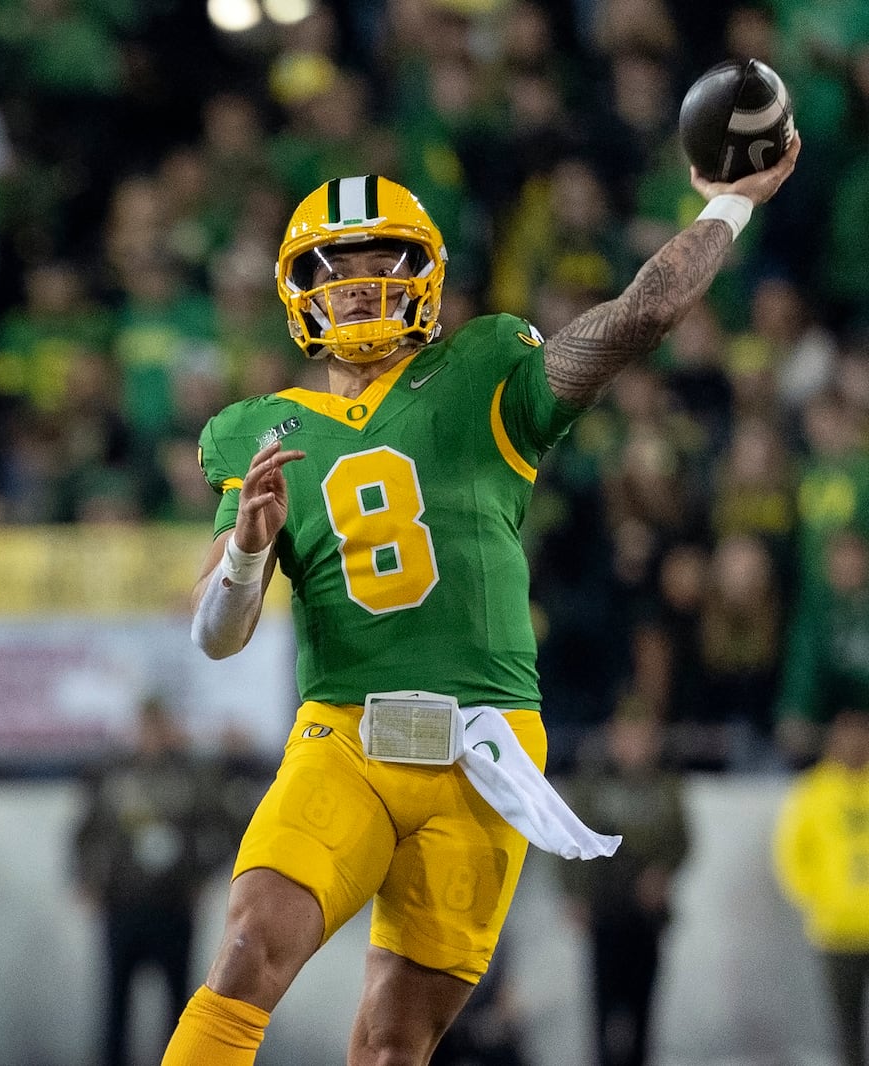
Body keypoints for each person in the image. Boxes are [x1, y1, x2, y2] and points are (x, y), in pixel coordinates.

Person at [162, 137, 801, 1066]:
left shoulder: (484, 370)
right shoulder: (259, 429)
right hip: (343, 735)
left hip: (483, 747)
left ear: (426, 275)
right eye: (336, 267)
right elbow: (217, 637)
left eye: (384, 261)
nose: (358, 283)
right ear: (299, 287)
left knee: (395, 1042)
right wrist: (249, 553)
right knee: (248, 953)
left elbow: (641, 314)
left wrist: (728, 205)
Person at [73, 697, 240, 1066]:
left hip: (174, 904)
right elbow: (84, 832)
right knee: (115, 1004)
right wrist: (87, 881)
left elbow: (228, 828)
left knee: (179, 1009)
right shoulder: (114, 774)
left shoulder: (193, 776)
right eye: (145, 726)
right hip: (122, 903)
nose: (151, 736)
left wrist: (203, 877)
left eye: (158, 727)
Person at [559, 712, 690, 1066]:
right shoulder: (591, 784)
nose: (633, 748)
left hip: (646, 917)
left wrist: (663, 872)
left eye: (641, 738)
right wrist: (574, 895)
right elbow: (568, 840)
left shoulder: (665, 786)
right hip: (605, 911)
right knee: (602, 1012)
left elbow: (682, 840)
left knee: (643, 1011)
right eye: (626, 738)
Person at [773, 707, 869, 1066]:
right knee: (847, 1026)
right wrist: (818, 897)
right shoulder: (812, 793)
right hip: (836, 927)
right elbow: (792, 854)